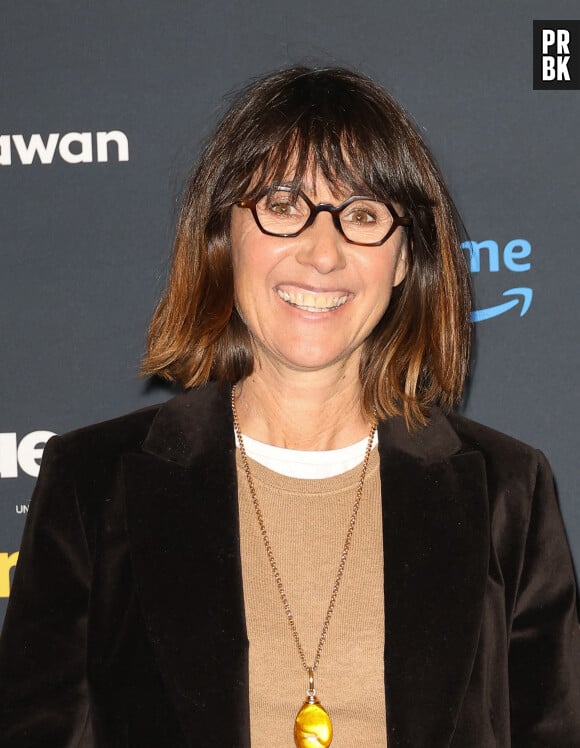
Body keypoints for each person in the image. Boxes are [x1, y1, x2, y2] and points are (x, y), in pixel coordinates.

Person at [0, 66, 579, 748]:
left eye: (363, 214)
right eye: (283, 206)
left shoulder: (507, 488)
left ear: (403, 260)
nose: (323, 252)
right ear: (224, 236)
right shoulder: (93, 482)